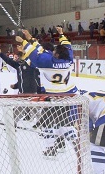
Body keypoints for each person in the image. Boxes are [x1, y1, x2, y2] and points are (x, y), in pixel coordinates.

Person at [18, 27, 78, 158]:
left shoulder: (46, 62)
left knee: (46, 124)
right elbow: (67, 46)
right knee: (65, 123)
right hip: (68, 96)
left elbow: (33, 53)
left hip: (52, 98)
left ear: (55, 55)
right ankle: (75, 142)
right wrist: (61, 34)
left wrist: (23, 41)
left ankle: (50, 149)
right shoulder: (68, 59)